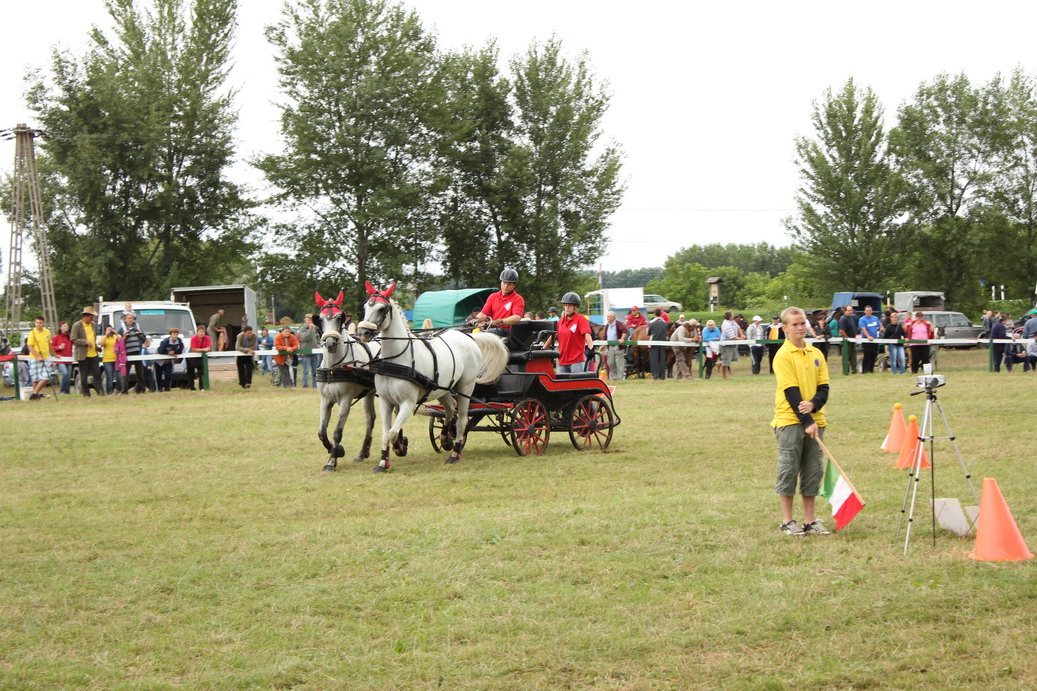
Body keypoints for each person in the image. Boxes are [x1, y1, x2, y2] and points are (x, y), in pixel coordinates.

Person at [771, 306, 831, 537]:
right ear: (785, 328)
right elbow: (791, 392)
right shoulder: (783, 356)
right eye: (794, 324)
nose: (800, 328)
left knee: (813, 470)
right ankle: (787, 521)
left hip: (816, 419)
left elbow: (824, 387)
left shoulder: (816, 353)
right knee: (789, 469)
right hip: (790, 420)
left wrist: (814, 405)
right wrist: (806, 421)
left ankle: (810, 521)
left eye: (803, 323)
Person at [550, 292, 593, 374]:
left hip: (576, 361)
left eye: (569, 305)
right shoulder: (560, 321)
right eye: (565, 305)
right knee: (561, 382)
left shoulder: (580, 319)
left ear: (575, 307)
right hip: (562, 360)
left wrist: (591, 348)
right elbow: (553, 336)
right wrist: (542, 349)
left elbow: (587, 334)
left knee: (577, 382)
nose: (567, 308)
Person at [474, 268, 525, 337]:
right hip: (492, 329)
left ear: (514, 285)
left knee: (482, 336)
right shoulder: (493, 296)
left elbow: (516, 318)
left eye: (509, 284)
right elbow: (484, 313)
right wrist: (476, 320)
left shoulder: (518, 299)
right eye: (504, 283)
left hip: (506, 332)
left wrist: (499, 321)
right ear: (501, 282)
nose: (505, 286)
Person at [71, 306, 105, 397]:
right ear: (86, 316)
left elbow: (93, 338)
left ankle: (100, 391)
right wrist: (84, 342)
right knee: (84, 375)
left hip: (93, 354)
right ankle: (86, 393)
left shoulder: (93, 325)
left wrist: (96, 347)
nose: (92, 318)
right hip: (83, 355)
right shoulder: (77, 326)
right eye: (91, 316)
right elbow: (73, 339)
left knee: (97, 373)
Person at [120, 311, 151, 393]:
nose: (131, 320)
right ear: (125, 320)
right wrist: (124, 336)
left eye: (132, 318)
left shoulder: (137, 328)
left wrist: (140, 335)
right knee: (126, 373)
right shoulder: (122, 329)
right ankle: (124, 390)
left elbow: (144, 339)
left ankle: (141, 389)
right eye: (129, 318)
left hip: (137, 352)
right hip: (127, 353)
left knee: (140, 372)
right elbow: (119, 342)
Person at [25, 316, 53, 400]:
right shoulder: (32, 333)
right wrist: (37, 357)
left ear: (43, 323)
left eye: (40, 323)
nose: (38, 324)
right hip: (34, 358)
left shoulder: (47, 332)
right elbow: (30, 346)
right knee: (35, 378)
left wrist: (55, 354)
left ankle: (35, 393)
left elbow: (49, 345)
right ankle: (36, 396)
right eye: (37, 322)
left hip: (45, 357)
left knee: (45, 377)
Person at [296, 314, 321, 387]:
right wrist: (310, 329)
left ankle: (315, 385)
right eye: (308, 320)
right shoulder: (302, 329)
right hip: (306, 353)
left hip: (315, 353)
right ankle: (305, 385)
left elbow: (318, 337)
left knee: (315, 370)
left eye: (311, 320)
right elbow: (306, 338)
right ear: (305, 321)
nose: (310, 322)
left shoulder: (315, 329)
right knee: (305, 371)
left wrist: (318, 343)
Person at [99, 324, 125, 394]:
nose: (110, 331)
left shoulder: (116, 337)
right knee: (109, 377)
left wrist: (115, 332)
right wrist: (106, 335)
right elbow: (101, 344)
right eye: (108, 330)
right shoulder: (103, 337)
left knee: (119, 376)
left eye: (111, 330)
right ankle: (109, 391)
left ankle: (119, 390)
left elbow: (121, 341)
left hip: (117, 360)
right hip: (107, 360)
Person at [603, 311, 628, 381]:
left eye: (608, 316)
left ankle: (620, 378)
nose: (607, 318)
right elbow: (605, 336)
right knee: (611, 363)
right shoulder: (607, 325)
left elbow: (624, 330)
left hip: (618, 346)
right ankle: (614, 377)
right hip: (610, 347)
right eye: (607, 316)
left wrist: (622, 338)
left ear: (613, 317)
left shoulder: (618, 323)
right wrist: (604, 345)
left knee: (619, 363)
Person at [50, 320, 74, 394]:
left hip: (69, 358)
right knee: (65, 373)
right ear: (60, 328)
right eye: (64, 326)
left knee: (68, 376)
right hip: (60, 359)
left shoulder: (69, 337)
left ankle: (67, 391)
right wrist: (59, 347)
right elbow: (51, 347)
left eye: (67, 326)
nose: (66, 327)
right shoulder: (56, 337)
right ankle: (62, 390)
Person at [718, 311, 744, 379]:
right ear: (730, 317)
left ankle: (719, 363)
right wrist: (741, 339)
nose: (733, 316)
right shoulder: (726, 325)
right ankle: (724, 376)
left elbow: (738, 327)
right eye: (732, 315)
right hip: (726, 344)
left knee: (733, 358)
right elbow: (732, 337)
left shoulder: (733, 322)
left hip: (732, 344)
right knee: (726, 361)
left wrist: (741, 334)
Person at [857, 305, 881, 374]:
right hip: (866, 340)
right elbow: (863, 329)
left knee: (874, 355)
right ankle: (864, 370)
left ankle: (871, 370)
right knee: (867, 355)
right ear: (865, 311)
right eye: (867, 311)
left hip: (874, 340)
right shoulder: (862, 319)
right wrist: (868, 336)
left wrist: (881, 328)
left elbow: (880, 326)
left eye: (870, 310)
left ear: (872, 311)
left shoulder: (875, 318)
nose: (868, 312)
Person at [187, 323, 211, 390]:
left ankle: (202, 387)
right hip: (192, 358)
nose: (201, 333)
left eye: (203, 331)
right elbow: (193, 349)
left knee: (201, 372)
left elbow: (209, 348)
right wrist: (203, 349)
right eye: (200, 332)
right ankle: (192, 387)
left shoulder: (207, 338)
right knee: (191, 373)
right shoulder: (193, 338)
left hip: (201, 358)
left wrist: (202, 350)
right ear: (197, 332)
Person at [647, 308, 670, 380]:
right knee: (662, 360)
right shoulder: (665, 323)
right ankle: (662, 376)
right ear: (661, 314)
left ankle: (655, 375)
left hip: (653, 344)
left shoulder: (651, 323)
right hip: (663, 344)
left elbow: (648, 333)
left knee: (654, 360)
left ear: (654, 314)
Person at [837, 305, 859, 374]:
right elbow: (841, 330)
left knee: (853, 356)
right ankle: (846, 371)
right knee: (846, 356)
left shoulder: (852, 318)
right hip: (847, 341)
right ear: (845, 311)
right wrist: (847, 338)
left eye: (851, 310)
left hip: (853, 340)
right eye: (848, 310)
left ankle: (854, 370)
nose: (850, 312)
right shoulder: (844, 319)